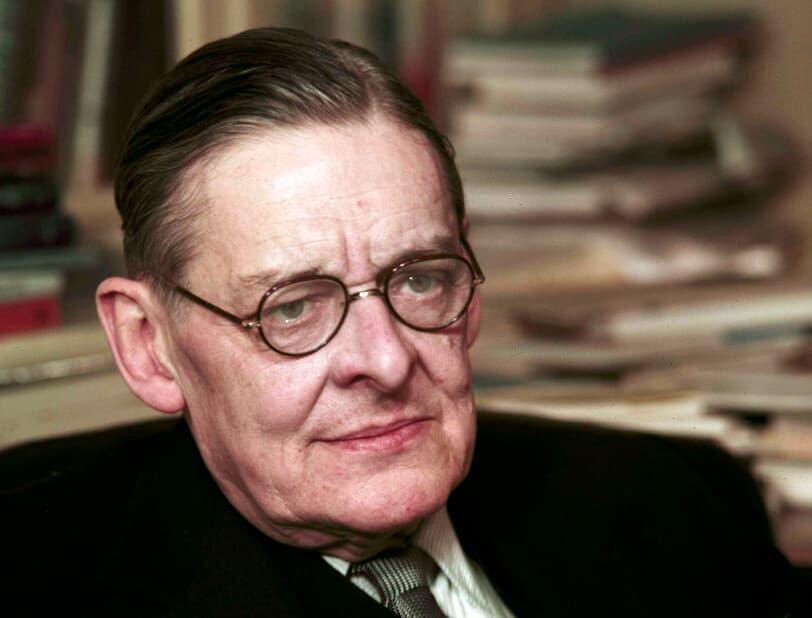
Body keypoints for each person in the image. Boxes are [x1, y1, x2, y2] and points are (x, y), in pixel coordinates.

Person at [2, 27, 796, 617]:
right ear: (148, 346)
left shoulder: (675, 506)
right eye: (292, 308)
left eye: (418, 279)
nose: (384, 362)